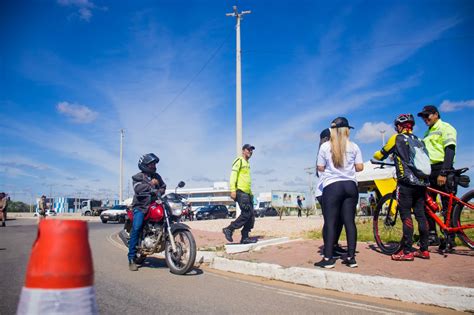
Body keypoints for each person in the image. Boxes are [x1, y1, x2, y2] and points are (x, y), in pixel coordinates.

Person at [373, 114, 430, 261]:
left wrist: (376, 156)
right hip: (421, 183)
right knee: (421, 215)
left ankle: (407, 251)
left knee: (406, 216)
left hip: (406, 183)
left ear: (399, 126)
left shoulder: (396, 138)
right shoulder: (419, 140)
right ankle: (424, 250)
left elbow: (381, 154)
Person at [315, 117, 363, 269]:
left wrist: (333, 168)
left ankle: (328, 258)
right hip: (350, 186)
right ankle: (351, 257)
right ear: (346, 130)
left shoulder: (325, 147)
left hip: (332, 187)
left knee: (330, 222)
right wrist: (347, 168)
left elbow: (320, 168)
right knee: (349, 221)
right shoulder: (354, 146)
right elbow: (360, 167)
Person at [417, 105, 457, 249]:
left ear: (436, 114)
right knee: (428, 205)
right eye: (423, 117)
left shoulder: (446, 128)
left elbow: (450, 150)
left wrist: (444, 172)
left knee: (448, 206)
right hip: (429, 172)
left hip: (442, 169)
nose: (424, 119)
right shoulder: (427, 133)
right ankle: (432, 235)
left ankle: (450, 239)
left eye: (427, 116)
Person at [128, 153, 166, 271]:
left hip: (154, 204)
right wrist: (151, 184)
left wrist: (159, 190)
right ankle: (131, 258)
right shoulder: (137, 177)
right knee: (137, 227)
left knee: (165, 218)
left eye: (154, 163)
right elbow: (138, 189)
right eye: (151, 163)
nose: (153, 165)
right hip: (140, 206)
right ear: (144, 164)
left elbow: (163, 187)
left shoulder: (157, 176)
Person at [315, 128, 346, 259]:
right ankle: (328, 246)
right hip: (323, 191)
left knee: (340, 220)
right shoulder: (324, 150)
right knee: (330, 221)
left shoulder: (334, 149)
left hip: (333, 190)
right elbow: (319, 172)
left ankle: (333, 244)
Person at [223, 144, 256, 244]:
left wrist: (251, 194)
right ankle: (229, 229)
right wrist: (232, 190)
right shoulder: (239, 161)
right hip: (240, 192)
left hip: (247, 193)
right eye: (248, 149)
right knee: (246, 213)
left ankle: (245, 237)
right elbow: (233, 176)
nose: (250, 151)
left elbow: (246, 180)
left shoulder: (247, 163)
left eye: (251, 150)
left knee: (251, 217)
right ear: (243, 151)